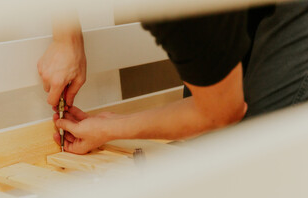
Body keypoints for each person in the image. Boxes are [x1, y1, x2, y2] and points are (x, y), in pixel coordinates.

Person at [38, 2, 308, 154]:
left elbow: (220, 112)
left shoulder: (184, 15)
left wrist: (109, 128)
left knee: (256, 157)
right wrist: (67, 37)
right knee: (210, 149)